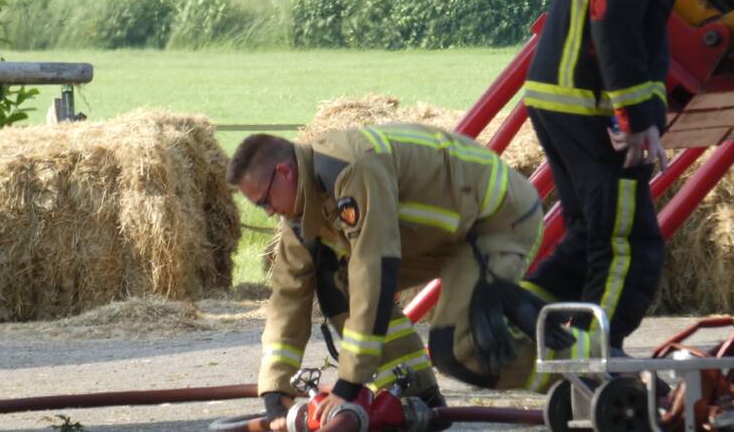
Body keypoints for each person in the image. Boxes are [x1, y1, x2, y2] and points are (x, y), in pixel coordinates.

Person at [521, 0, 734, 352]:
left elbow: (646, 35)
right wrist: (634, 118)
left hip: (566, 98)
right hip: (587, 103)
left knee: (588, 233)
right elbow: (616, 24)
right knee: (628, 241)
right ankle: (596, 354)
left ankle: (515, 312)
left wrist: (645, 111)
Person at [227, 124, 575, 428]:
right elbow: (288, 296)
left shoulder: (348, 170)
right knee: (334, 277)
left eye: (263, 202)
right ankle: (414, 392)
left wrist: (349, 386)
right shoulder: (304, 205)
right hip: (446, 236)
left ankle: (585, 368)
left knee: (460, 350)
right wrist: (275, 390)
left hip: (496, 219)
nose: (269, 212)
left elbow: (374, 269)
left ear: (285, 172)